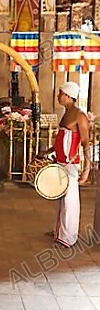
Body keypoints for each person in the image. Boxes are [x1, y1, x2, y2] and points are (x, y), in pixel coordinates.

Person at [46, 81, 90, 247]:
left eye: (61, 93)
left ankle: (69, 236)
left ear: (69, 96)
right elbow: (61, 139)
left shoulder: (80, 115)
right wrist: (48, 151)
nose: (58, 96)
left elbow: (86, 142)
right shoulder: (65, 113)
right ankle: (59, 231)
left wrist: (86, 170)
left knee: (70, 201)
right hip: (60, 161)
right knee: (60, 199)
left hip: (71, 164)